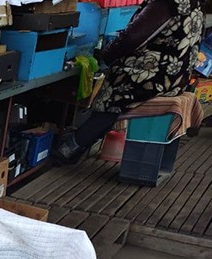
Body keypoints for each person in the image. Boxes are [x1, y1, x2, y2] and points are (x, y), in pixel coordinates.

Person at [53, 0, 205, 163]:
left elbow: (132, 38)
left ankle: (71, 147)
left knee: (115, 94)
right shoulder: (193, 2)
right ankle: (80, 141)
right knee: (117, 83)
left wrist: (106, 55)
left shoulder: (165, 4)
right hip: (176, 78)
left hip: (155, 78)